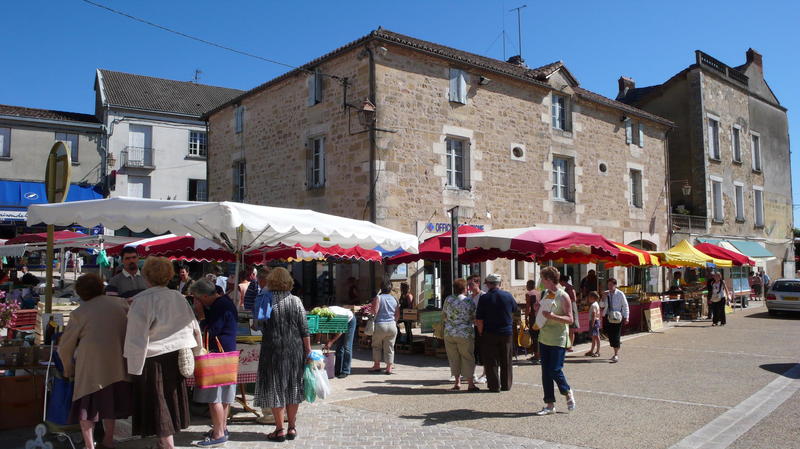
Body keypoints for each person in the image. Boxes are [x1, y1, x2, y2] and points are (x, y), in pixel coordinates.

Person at [124, 257, 201, 449]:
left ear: (146, 276)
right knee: (169, 399)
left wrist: (132, 367)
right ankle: (163, 442)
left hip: (153, 357)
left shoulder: (142, 301)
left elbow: (135, 337)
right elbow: (194, 326)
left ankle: (168, 445)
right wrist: (197, 350)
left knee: (159, 402)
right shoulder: (177, 297)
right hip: (176, 355)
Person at [58, 274, 132, 449]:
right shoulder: (121, 304)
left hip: (91, 369)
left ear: (81, 293)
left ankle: (89, 445)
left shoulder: (79, 313)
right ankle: (108, 441)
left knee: (87, 411)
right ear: (101, 287)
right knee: (110, 407)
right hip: (118, 366)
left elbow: (64, 347)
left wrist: (68, 369)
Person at [254, 267, 311, 442]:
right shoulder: (296, 301)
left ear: (271, 281)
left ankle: (279, 430)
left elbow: (257, 325)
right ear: (288, 281)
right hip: (294, 350)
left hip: (272, 350)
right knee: (293, 387)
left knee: (274, 388)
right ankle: (292, 428)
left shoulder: (265, 300)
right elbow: (304, 329)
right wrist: (308, 350)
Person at [189, 279, 238, 447]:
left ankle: (218, 435)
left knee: (214, 397)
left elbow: (212, 331)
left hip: (217, 355)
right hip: (228, 352)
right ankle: (222, 429)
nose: (198, 302)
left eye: (198, 298)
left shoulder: (219, 306)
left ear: (204, 295)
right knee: (224, 396)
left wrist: (201, 315)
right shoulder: (225, 302)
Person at [534, 266, 575, 415]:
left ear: (549, 279)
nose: (541, 282)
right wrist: (537, 308)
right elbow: (542, 312)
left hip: (558, 338)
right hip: (544, 337)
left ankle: (567, 391)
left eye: (543, 279)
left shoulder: (563, 296)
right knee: (545, 372)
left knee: (555, 369)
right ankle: (549, 405)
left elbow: (570, 319)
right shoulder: (545, 293)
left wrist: (553, 317)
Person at [475, 273, 518, 392]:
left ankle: (494, 386)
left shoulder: (484, 298)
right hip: (506, 332)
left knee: (491, 360)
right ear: (500, 283)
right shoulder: (508, 296)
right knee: (506, 360)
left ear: (488, 284)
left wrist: (480, 332)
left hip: (490, 332)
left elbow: (479, 319)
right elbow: (515, 309)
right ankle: (506, 385)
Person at [442, 278, 479, 392]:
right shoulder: (469, 301)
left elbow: (444, 315)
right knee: (467, 357)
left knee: (454, 357)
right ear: (464, 288)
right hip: (464, 333)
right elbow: (474, 317)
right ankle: (470, 383)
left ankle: (457, 382)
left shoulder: (448, 299)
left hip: (450, 332)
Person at [369, 282, 399, 374]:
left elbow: (374, 311)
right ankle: (389, 367)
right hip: (392, 325)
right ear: (390, 289)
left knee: (376, 346)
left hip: (380, 325)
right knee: (390, 347)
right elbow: (397, 314)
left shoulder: (378, 298)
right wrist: (394, 322)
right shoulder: (395, 299)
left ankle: (377, 365)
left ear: (381, 288)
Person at [321, 305, 356, 378]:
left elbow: (340, 331)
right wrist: (326, 341)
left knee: (347, 346)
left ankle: (345, 371)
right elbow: (326, 329)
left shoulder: (336, 315)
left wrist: (331, 342)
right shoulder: (325, 316)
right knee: (339, 347)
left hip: (350, 321)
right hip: (341, 324)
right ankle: (337, 370)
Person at [602, 278, 629, 363]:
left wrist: (626, 317)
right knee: (610, 335)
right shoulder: (606, 294)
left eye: (611, 285)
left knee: (616, 335)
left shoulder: (620, 294)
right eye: (608, 285)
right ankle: (615, 349)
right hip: (608, 317)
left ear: (615, 285)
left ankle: (616, 354)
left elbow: (625, 306)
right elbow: (601, 305)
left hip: (618, 317)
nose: (609, 286)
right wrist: (603, 297)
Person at [467, 274, 487, 383]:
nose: (469, 287)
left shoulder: (484, 296)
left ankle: (485, 374)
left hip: (481, 327)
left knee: (483, 350)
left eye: (471, 284)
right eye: (468, 285)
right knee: (472, 351)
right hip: (471, 327)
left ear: (478, 283)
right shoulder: (469, 298)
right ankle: (472, 373)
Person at [560, 274, 579, 353]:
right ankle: (568, 345)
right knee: (568, 329)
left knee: (571, 329)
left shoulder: (570, 288)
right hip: (568, 308)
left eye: (560, 282)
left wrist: (565, 300)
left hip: (572, 309)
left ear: (563, 281)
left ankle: (570, 346)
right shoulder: (566, 288)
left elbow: (574, 299)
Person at [524, 279, 541, 365]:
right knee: (540, 335)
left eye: (527, 285)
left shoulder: (529, 294)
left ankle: (536, 355)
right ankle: (540, 354)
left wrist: (526, 317)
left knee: (534, 336)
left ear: (529, 285)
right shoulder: (539, 293)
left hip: (533, 316)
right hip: (540, 316)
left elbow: (528, 308)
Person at [585, 291, 601, 357]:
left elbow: (594, 314)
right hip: (596, 321)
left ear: (592, 297)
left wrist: (592, 323)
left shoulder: (593, 305)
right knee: (594, 337)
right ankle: (592, 350)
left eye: (589, 297)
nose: (588, 298)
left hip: (594, 322)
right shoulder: (596, 303)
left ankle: (597, 351)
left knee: (596, 337)